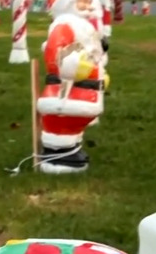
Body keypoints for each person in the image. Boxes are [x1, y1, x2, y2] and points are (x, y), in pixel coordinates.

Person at [37, 0, 108, 174]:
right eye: (83, 2)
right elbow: (56, 55)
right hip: (67, 92)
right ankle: (59, 155)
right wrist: (75, 66)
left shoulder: (81, 25)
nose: (89, 6)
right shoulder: (64, 24)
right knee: (64, 122)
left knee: (73, 124)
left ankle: (71, 148)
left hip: (82, 90)